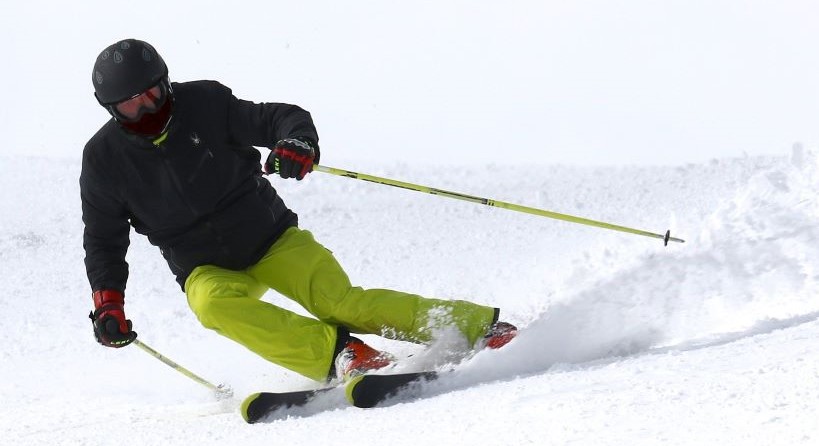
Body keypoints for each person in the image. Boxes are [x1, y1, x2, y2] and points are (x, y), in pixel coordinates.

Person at [82, 38, 517, 383]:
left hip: (269, 238)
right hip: (203, 265)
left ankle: (475, 327)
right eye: (130, 104)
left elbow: (280, 118)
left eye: (152, 94)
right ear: (111, 108)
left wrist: (296, 142)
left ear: (166, 82)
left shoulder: (206, 103)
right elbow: (103, 239)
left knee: (342, 303)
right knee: (212, 306)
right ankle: (342, 354)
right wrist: (108, 304)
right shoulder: (103, 159)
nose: (147, 108)